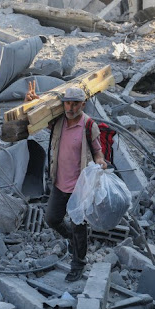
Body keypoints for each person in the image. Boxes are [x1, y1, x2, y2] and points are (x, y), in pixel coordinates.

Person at [25, 82, 106, 282]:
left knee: (80, 226)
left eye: (75, 104)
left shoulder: (89, 126)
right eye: (68, 104)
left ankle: (78, 264)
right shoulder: (58, 122)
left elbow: (97, 151)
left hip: (80, 188)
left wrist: (100, 162)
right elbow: (38, 117)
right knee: (52, 219)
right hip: (59, 183)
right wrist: (32, 102)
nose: (70, 108)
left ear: (83, 104)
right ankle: (73, 239)